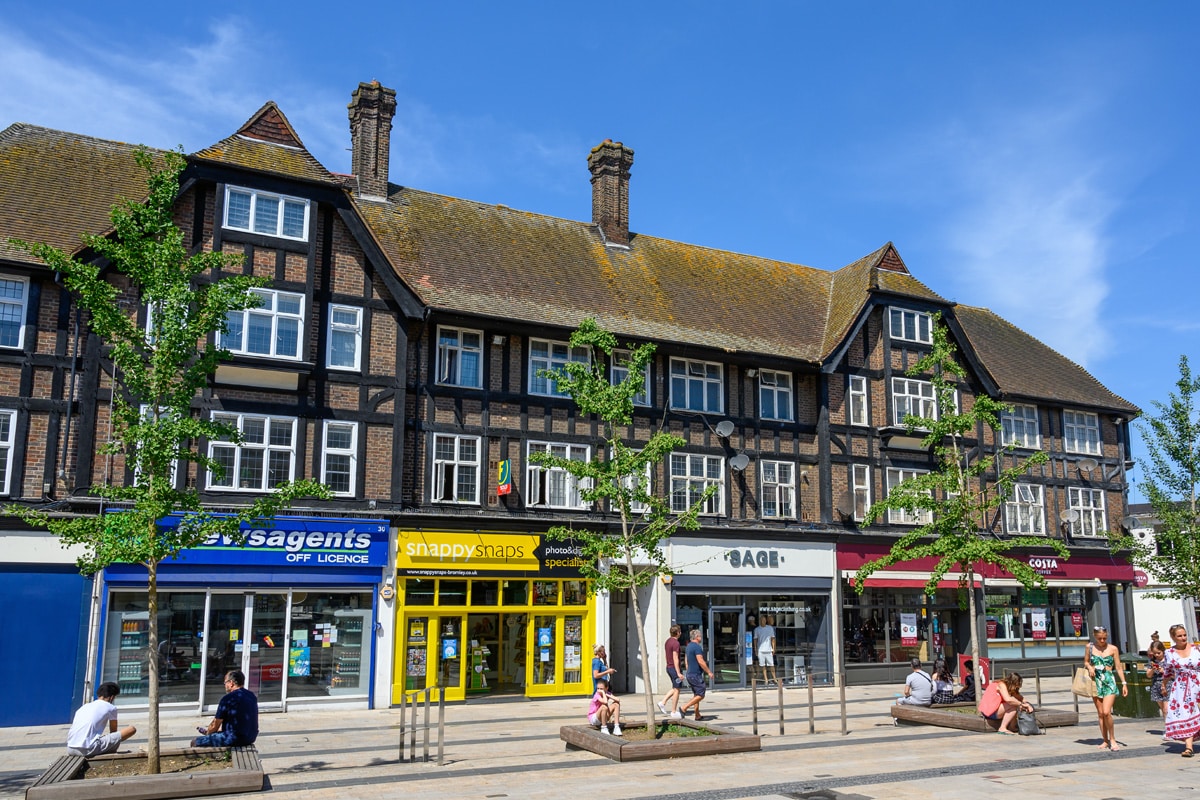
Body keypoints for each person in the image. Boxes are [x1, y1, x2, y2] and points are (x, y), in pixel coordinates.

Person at [1085, 625, 1128, 751]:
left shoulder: (1113, 649)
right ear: (1095, 637)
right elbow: (1086, 661)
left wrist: (1124, 683)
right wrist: (1090, 667)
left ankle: (1112, 739)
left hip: (1109, 680)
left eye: (1104, 638)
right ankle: (1105, 740)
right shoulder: (1090, 647)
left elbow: (1119, 667)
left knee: (1106, 712)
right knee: (1100, 713)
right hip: (1096, 680)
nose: (1102, 641)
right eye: (1099, 638)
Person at [66, 682, 136, 757]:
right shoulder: (111, 707)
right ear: (112, 697)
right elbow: (113, 732)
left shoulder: (83, 707)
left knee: (104, 739)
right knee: (131, 729)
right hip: (88, 749)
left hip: (70, 748)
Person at [191, 670, 259, 747]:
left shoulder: (228, 698)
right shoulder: (251, 695)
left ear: (231, 683)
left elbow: (214, 725)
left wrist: (208, 734)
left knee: (195, 741)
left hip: (234, 738)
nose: (225, 685)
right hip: (251, 737)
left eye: (225, 682)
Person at [1163, 623, 1200, 757]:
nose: (1183, 638)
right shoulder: (1169, 653)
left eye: (1184, 635)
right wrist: (1164, 684)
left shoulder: (1197, 649)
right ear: (1173, 637)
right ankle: (1189, 747)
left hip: (1198, 682)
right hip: (1182, 687)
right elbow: (1167, 671)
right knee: (1186, 715)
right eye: (1179, 636)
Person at [680, 628, 714, 721]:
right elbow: (701, 661)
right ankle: (684, 708)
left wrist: (688, 670)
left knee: (696, 694)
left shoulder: (688, 646)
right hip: (695, 674)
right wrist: (709, 672)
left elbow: (686, 660)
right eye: (700, 636)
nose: (701, 637)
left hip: (690, 673)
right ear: (697, 637)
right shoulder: (697, 647)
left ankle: (697, 715)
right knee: (701, 694)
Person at [657, 625, 684, 719]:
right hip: (674, 668)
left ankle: (662, 702)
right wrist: (678, 672)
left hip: (669, 667)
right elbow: (675, 658)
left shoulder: (668, 641)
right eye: (680, 631)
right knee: (677, 689)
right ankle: (673, 711)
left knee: (675, 687)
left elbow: (666, 655)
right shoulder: (676, 643)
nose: (681, 633)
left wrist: (668, 664)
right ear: (678, 633)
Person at [1146, 639, 1170, 740]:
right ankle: (1168, 727)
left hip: (1168, 685)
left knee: (1166, 709)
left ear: (1163, 651)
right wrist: (1153, 669)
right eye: (1154, 653)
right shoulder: (1152, 662)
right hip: (1156, 685)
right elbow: (1148, 675)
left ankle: (1168, 730)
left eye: (1158, 653)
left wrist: (1163, 671)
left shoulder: (1169, 660)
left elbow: (1174, 674)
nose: (1157, 655)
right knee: (1162, 709)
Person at [754, 614, 778, 685]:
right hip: (761, 650)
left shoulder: (770, 628)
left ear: (766, 621)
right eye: (761, 620)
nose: (763, 621)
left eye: (764, 620)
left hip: (768, 649)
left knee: (771, 665)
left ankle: (774, 679)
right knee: (763, 666)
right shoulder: (757, 629)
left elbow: (773, 638)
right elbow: (755, 639)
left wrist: (773, 648)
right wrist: (755, 649)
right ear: (760, 621)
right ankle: (766, 679)